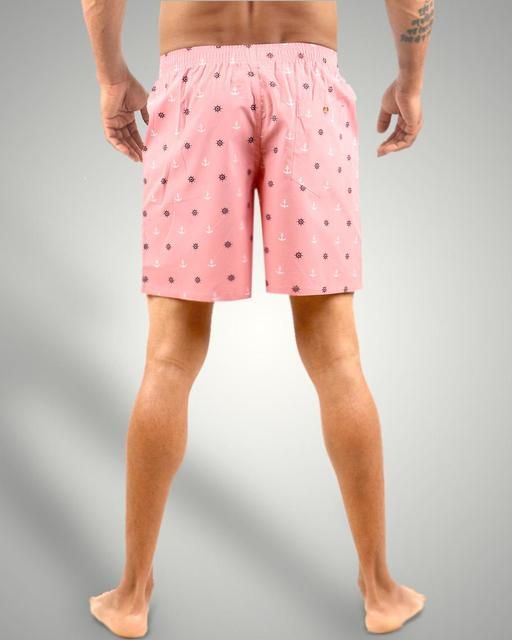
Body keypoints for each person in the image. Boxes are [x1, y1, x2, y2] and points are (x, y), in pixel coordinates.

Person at [81, 0, 433, 636]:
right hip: (309, 86)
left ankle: (131, 595)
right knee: (337, 357)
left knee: (168, 357)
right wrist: (410, 81)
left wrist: (111, 77)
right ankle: (381, 589)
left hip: (195, 84)